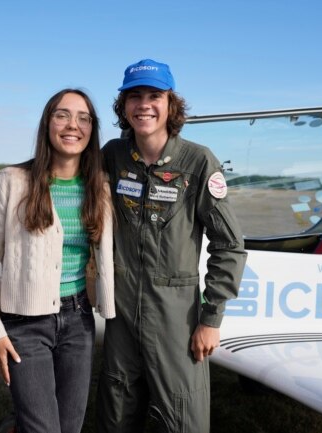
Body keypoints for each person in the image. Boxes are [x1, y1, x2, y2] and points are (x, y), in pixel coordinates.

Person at [96, 59, 247, 432]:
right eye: (134, 96)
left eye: (154, 95)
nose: (143, 104)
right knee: (115, 411)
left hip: (176, 317)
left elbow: (229, 245)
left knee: (184, 417)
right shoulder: (112, 156)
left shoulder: (197, 162)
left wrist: (210, 320)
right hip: (121, 314)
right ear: (123, 106)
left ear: (170, 104)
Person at [0, 88, 115, 433]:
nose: (72, 125)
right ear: (47, 123)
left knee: (70, 427)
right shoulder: (8, 183)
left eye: (83, 118)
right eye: (62, 115)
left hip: (78, 322)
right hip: (25, 325)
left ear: (91, 130)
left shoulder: (100, 189)